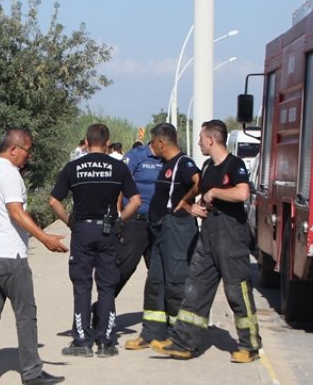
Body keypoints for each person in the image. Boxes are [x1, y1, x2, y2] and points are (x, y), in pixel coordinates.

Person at [152, 120, 260, 362]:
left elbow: (242, 193)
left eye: (201, 138)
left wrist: (214, 193)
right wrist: (197, 207)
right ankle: (183, 343)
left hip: (231, 237)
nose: (199, 142)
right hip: (209, 235)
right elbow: (203, 196)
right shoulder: (208, 166)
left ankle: (249, 346)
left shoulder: (235, 164)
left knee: (237, 291)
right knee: (195, 288)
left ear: (211, 140)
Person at [0, 127, 69, 385]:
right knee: (26, 313)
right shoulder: (10, 174)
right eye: (26, 150)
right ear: (13, 148)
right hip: (9, 256)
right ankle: (31, 372)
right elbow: (16, 212)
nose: (28, 156)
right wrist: (45, 238)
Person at [48, 124, 140, 357]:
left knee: (82, 286)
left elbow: (53, 201)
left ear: (87, 143)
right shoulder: (118, 167)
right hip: (108, 231)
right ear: (108, 143)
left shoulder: (73, 167)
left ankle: (81, 341)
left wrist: (69, 220)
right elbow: (136, 200)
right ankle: (107, 341)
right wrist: (120, 220)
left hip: (82, 231)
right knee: (107, 286)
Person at [124, 123, 200, 352]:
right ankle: (151, 332)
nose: (151, 147)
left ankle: (179, 336)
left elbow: (199, 181)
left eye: (153, 142)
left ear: (161, 142)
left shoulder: (183, 163)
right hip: (158, 228)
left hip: (175, 229)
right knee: (155, 281)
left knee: (176, 282)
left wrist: (186, 202)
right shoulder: (167, 164)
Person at [115, 133, 165, 296]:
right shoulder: (135, 157)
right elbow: (119, 186)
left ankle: (161, 312)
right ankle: (103, 307)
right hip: (135, 221)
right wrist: (118, 215)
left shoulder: (170, 159)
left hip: (158, 223)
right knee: (125, 267)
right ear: (158, 141)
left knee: (160, 271)